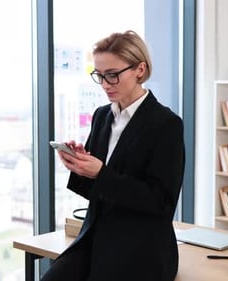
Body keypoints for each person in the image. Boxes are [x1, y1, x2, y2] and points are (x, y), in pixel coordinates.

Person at [42, 30, 185, 281]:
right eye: (100, 76)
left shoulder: (166, 124)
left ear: (140, 70)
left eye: (113, 75)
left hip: (140, 248)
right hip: (95, 239)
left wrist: (100, 173)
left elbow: (161, 204)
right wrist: (79, 167)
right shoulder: (102, 116)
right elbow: (96, 191)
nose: (106, 84)